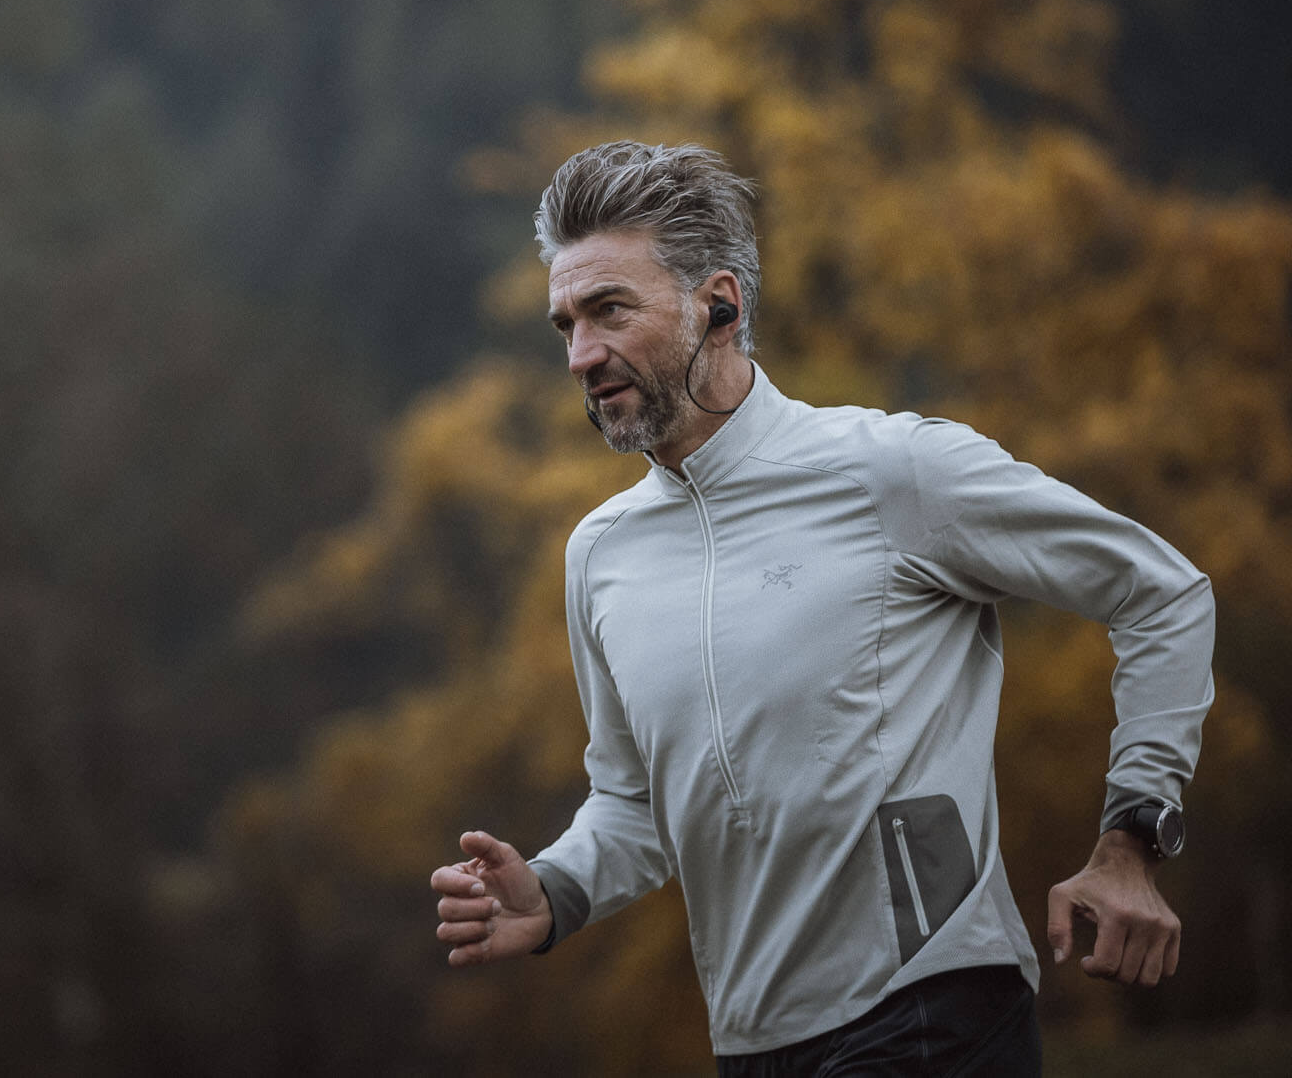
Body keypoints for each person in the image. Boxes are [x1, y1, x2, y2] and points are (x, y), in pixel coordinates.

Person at [429, 141, 1213, 1074]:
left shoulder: (891, 470)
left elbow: (1160, 589)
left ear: (718, 304)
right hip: (756, 1044)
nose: (580, 356)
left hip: (933, 1010)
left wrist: (1132, 837)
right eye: (564, 324)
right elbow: (636, 802)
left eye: (609, 311)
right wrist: (553, 889)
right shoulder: (599, 555)